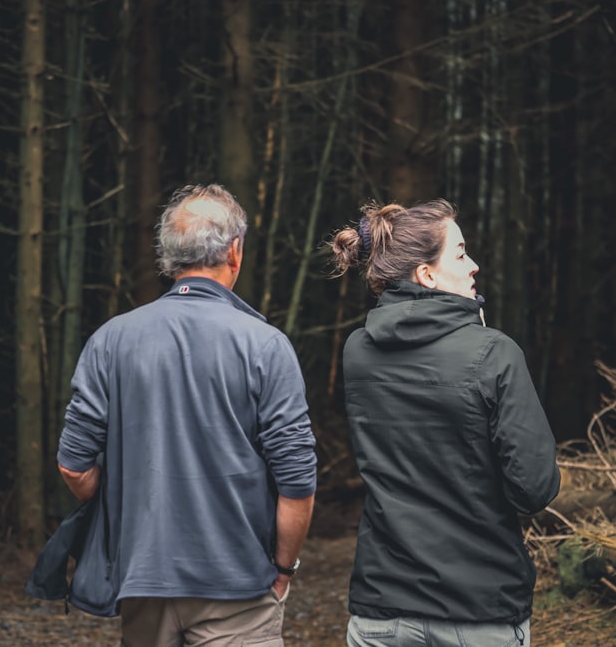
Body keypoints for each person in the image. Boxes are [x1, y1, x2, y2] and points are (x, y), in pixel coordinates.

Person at [57, 183, 317, 647]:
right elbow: (297, 482)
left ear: (169, 258)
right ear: (235, 252)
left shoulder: (111, 340)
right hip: (237, 587)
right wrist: (283, 569)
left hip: (143, 585)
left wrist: (126, 497)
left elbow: (73, 465)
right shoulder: (265, 345)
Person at [330, 199, 561, 647]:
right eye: (460, 254)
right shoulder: (494, 353)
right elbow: (533, 489)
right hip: (480, 609)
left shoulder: (358, 351)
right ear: (427, 275)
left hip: (383, 608)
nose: (473, 265)